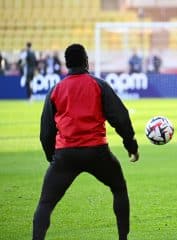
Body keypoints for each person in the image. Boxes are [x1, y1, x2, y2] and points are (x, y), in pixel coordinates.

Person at [32, 43, 139, 240]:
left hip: (66, 155)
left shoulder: (56, 90)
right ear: (87, 61)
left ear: (66, 64)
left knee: (46, 203)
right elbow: (120, 118)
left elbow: (46, 132)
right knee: (119, 188)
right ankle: (123, 238)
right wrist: (131, 146)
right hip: (97, 152)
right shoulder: (98, 85)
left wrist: (52, 158)